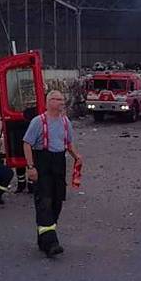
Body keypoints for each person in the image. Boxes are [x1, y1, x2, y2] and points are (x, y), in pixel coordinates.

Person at [22, 90, 83, 258]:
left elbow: (68, 143)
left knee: (57, 202)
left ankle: (44, 238)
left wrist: (77, 156)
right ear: (49, 102)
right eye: (58, 99)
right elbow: (27, 143)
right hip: (43, 162)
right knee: (45, 202)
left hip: (58, 164)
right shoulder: (38, 122)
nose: (62, 102)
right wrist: (30, 167)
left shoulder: (65, 122)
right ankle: (51, 243)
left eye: (62, 99)